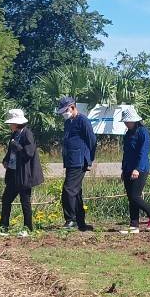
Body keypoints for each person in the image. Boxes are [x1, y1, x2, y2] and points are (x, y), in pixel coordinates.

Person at [0, 108, 43, 236]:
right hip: (13, 173)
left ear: (17, 123)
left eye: (11, 123)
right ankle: (3, 227)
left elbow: (28, 153)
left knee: (25, 202)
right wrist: (6, 160)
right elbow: (10, 152)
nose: (10, 125)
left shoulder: (27, 134)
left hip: (24, 174)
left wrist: (16, 146)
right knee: (6, 199)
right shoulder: (15, 134)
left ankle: (28, 228)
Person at [57, 96, 97, 231]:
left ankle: (70, 220)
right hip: (70, 161)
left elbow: (92, 140)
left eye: (65, 110)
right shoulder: (68, 122)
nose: (64, 114)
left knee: (68, 190)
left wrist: (89, 159)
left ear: (72, 107)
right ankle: (81, 222)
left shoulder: (83, 120)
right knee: (76, 192)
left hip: (79, 161)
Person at [120, 106, 150, 234]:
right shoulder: (127, 134)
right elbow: (126, 153)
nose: (126, 123)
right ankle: (134, 224)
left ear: (134, 120)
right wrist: (124, 169)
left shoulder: (143, 132)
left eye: (127, 121)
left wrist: (137, 169)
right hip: (128, 169)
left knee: (135, 196)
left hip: (140, 169)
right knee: (130, 198)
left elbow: (143, 152)